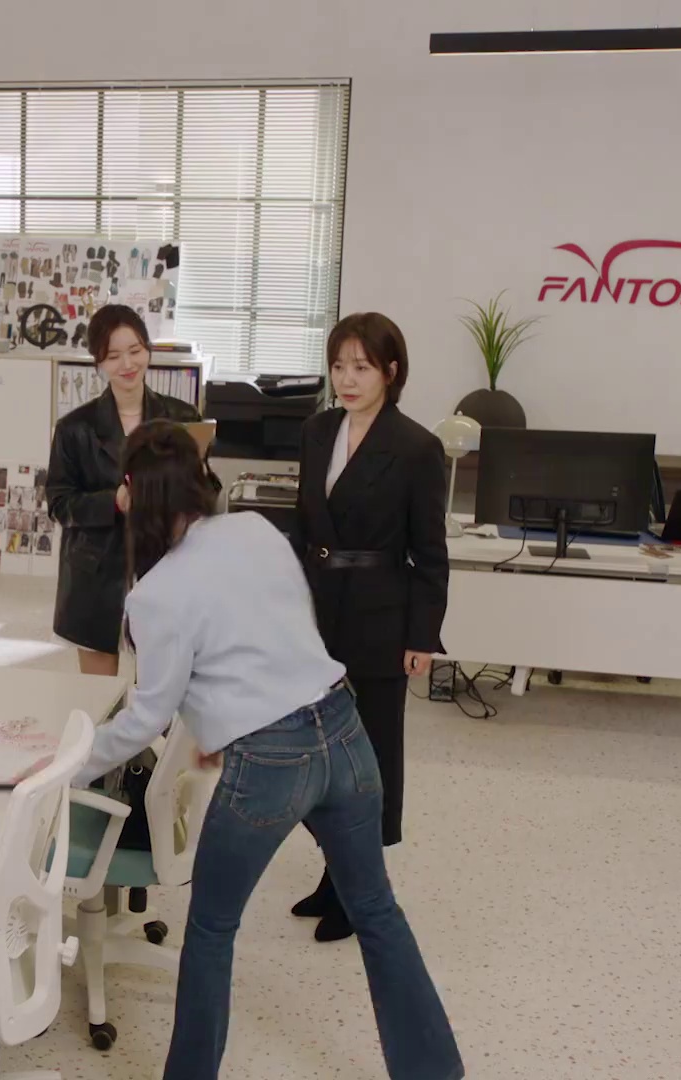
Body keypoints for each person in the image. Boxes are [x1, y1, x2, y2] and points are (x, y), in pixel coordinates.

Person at [70, 420, 461, 1080]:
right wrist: (220, 725)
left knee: (212, 929)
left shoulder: (154, 594)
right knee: (377, 912)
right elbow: (281, 629)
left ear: (137, 491)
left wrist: (67, 767)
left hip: (270, 763)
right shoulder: (255, 529)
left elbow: (145, 718)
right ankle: (434, 1071)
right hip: (344, 730)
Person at [287, 313, 450, 942]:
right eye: (338, 366)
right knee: (317, 751)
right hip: (317, 610)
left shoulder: (416, 448)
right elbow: (303, 525)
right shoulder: (316, 430)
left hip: (381, 615)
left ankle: (359, 890)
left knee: (370, 759)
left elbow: (430, 554)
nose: (347, 379)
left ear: (391, 371)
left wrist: (422, 636)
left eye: (361, 366)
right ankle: (333, 873)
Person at [46, 304, 199, 676]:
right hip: (96, 570)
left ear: (148, 349)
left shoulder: (182, 419)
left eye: (135, 350)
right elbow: (60, 502)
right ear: (98, 362)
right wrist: (113, 501)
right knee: (99, 695)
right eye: (113, 356)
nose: (127, 364)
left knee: (161, 689)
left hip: (165, 563)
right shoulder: (74, 428)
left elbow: (204, 491)